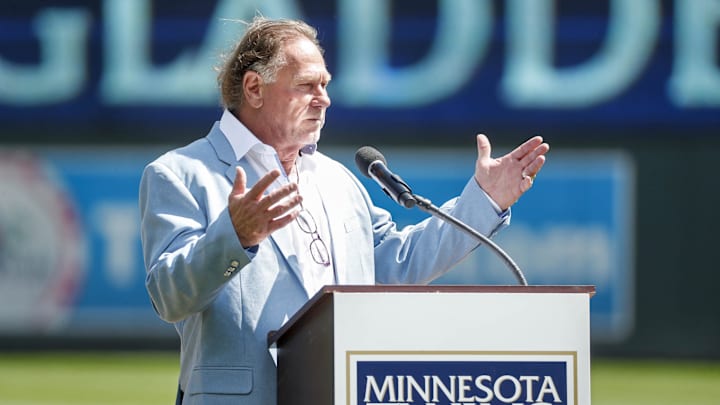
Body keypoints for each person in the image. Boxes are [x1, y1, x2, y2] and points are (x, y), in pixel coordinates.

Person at [139, 16, 548, 405]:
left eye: (325, 84)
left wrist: (484, 201)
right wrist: (235, 236)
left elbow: (397, 264)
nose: (324, 99)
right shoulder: (181, 174)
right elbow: (169, 297)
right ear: (254, 88)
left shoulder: (336, 179)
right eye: (307, 85)